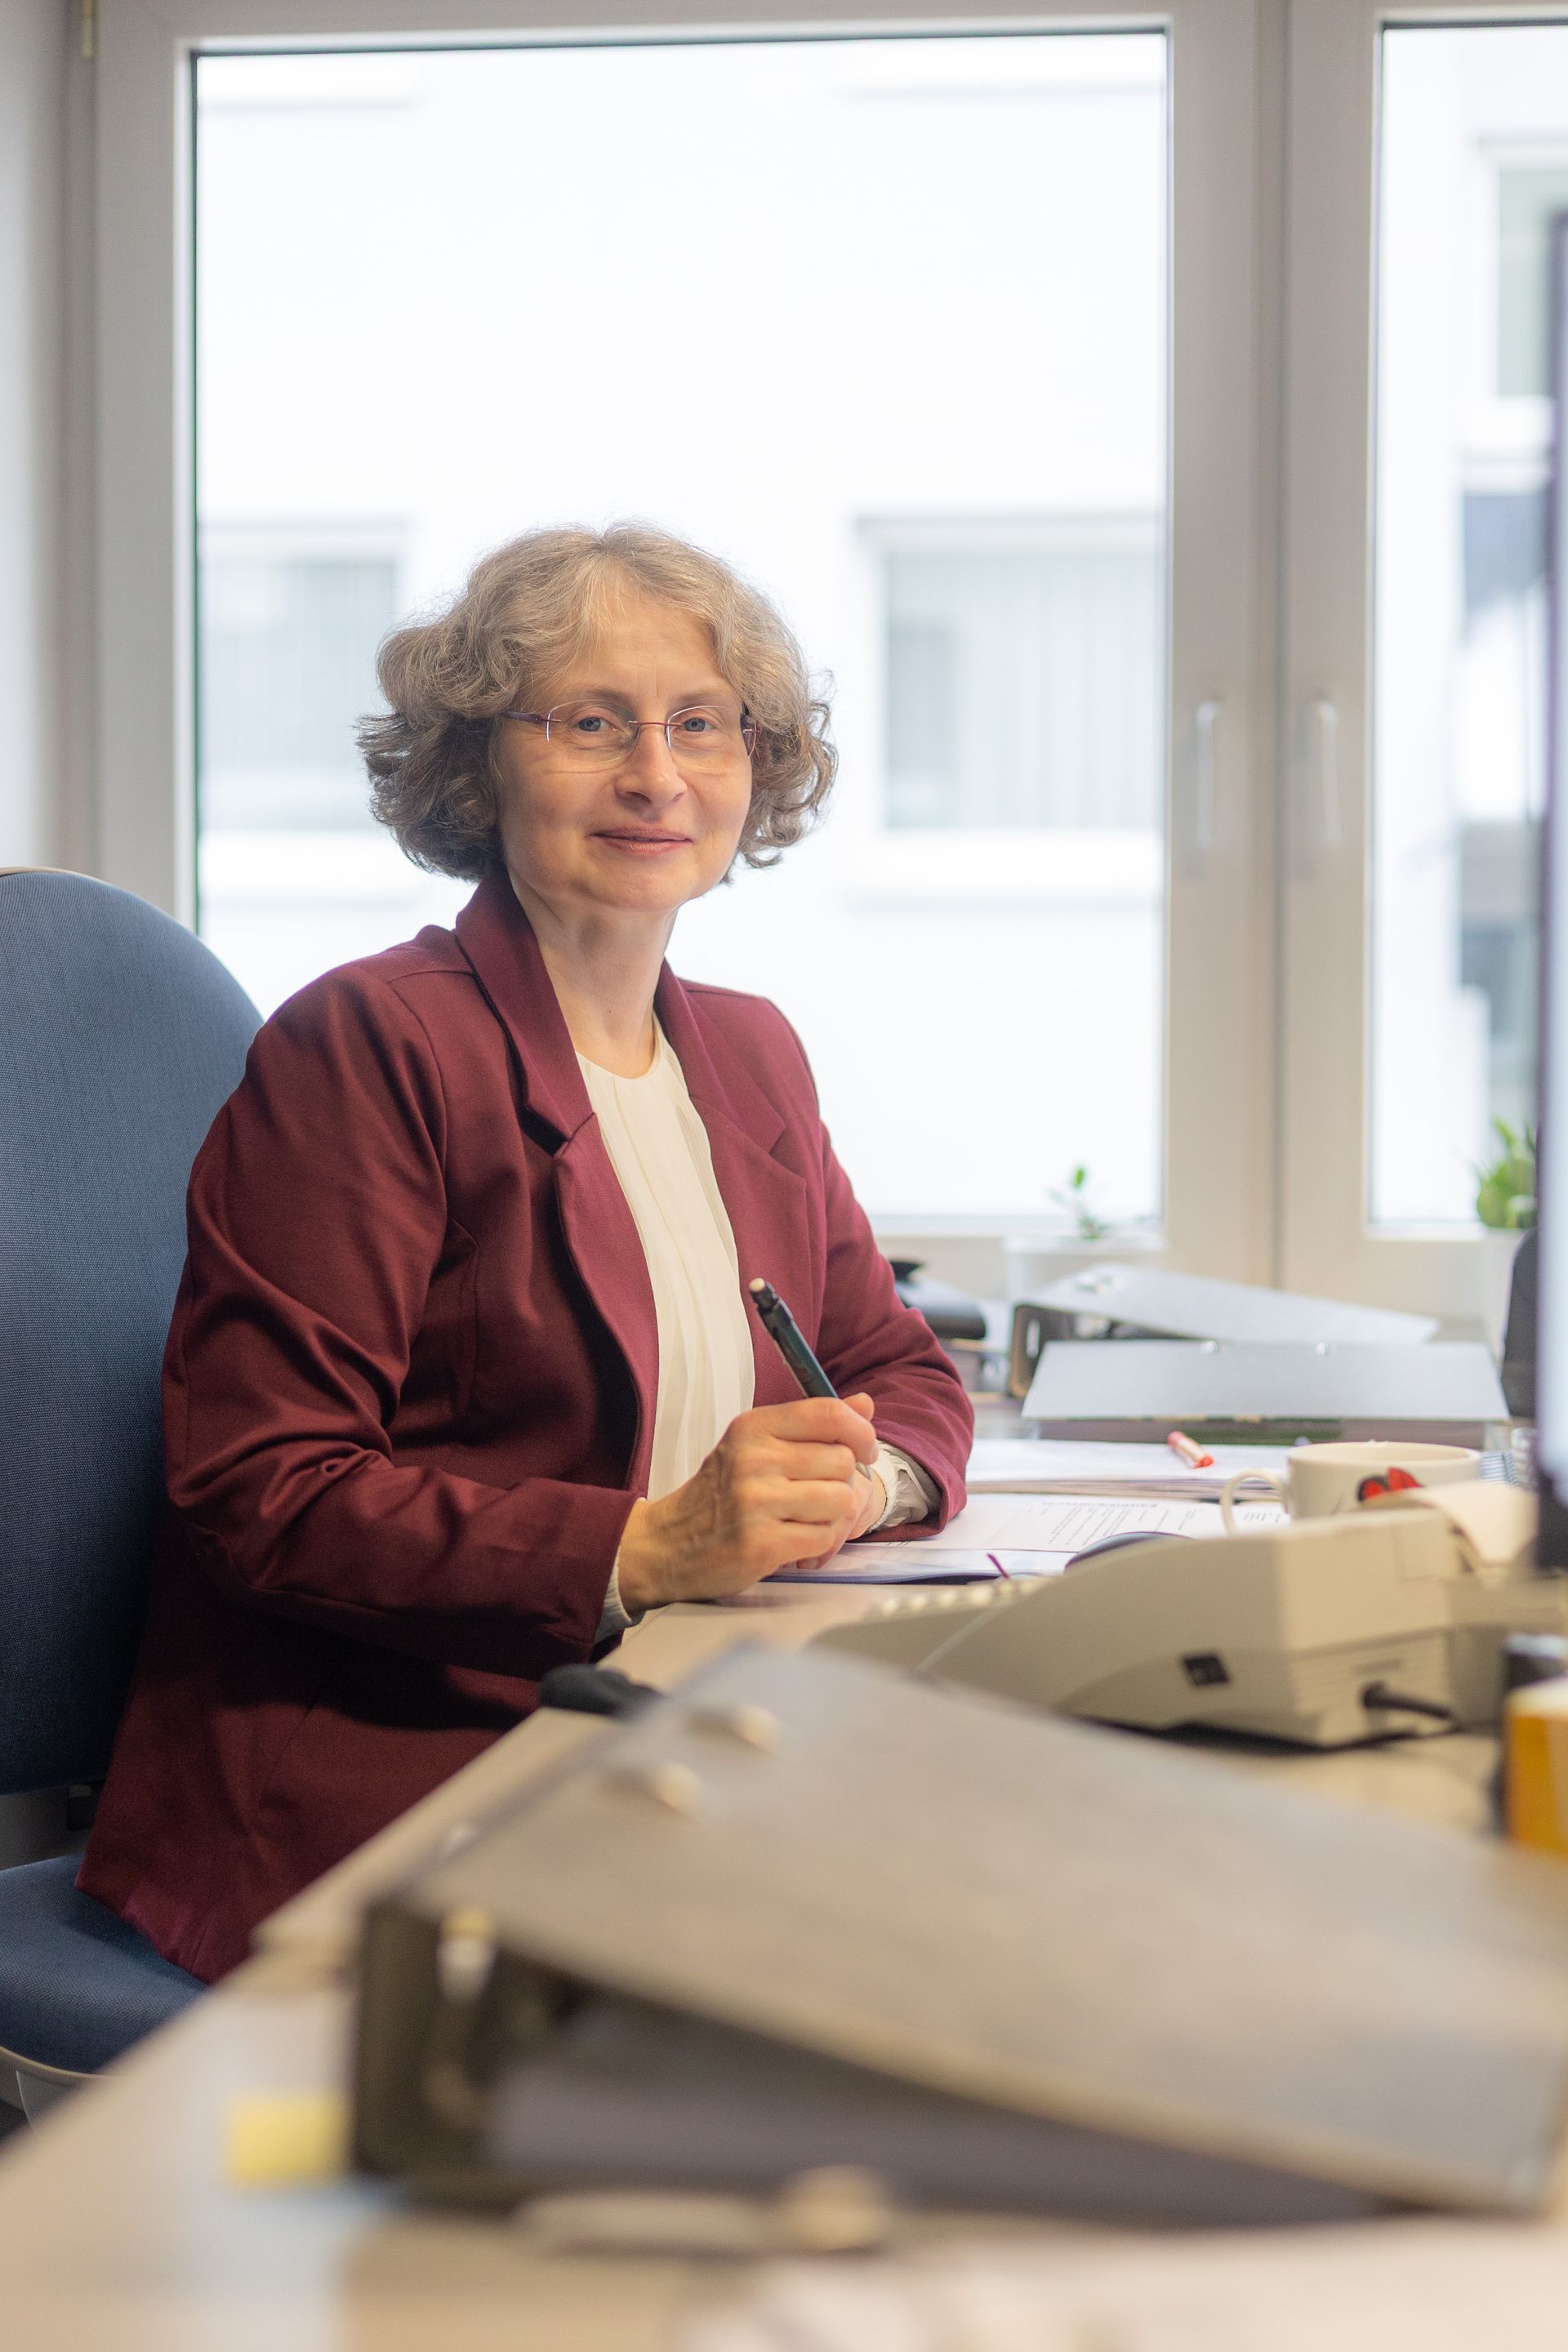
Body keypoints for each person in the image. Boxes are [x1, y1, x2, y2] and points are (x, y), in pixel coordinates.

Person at [80, 524, 973, 1982]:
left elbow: (896, 1367)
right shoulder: (371, 1044)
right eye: (590, 724)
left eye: (701, 724)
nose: (657, 775)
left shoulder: (749, 1053)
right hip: (399, 1773)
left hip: (681, 1719)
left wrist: (851, 1481)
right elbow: (266, 1489)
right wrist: (647, 1545)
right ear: (474, 764)